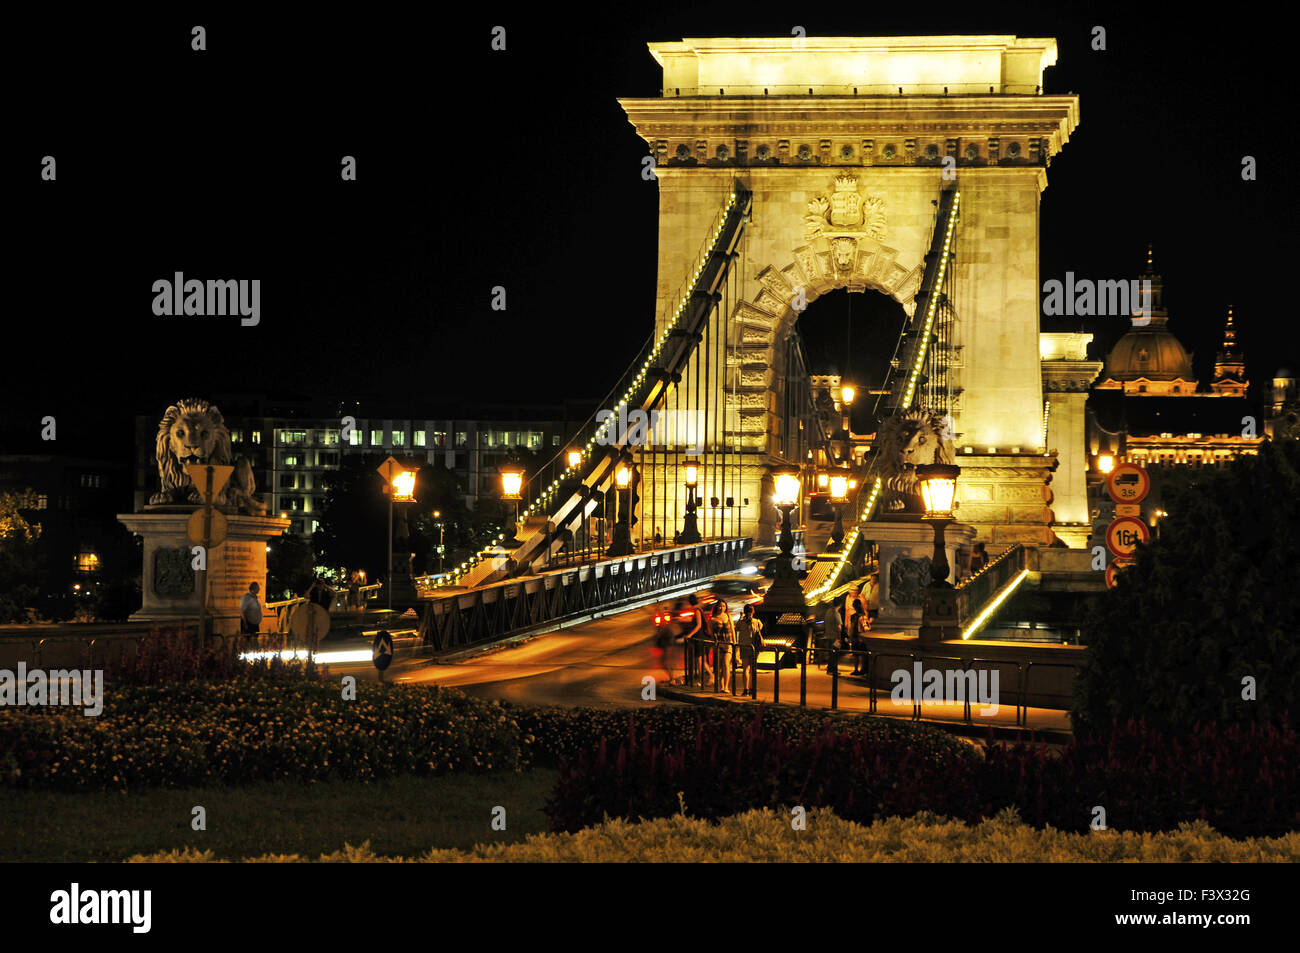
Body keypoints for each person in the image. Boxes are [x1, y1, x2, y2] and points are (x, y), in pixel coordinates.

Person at [735, 603, 764, 695]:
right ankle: (751, 688)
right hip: (752, 647)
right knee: (751, 669)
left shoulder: (742, 622)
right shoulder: (757, 621)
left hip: (746, 646)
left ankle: (746, 689)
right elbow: (760, 629)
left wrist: (741, 617)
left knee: (746, 669)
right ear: (753, 612)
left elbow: (737, 629)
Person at [710, 600, 736, 691]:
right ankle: (721, 686)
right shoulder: (713, 619)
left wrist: (734, 643)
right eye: (720, 606)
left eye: (724, 606)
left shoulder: (728, 616)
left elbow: (732, 630)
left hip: (728, 644)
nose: (722, 608)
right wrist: (715, 643)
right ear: (717, 607)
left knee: (726, 664)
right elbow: (713, 634)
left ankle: (726, 687)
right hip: (719, 645)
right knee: (720, 667)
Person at [848, 597, 867, 675]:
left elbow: (852, 627)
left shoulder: (854, 616)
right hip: (862, 637)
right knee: (863, 654)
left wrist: (850, 637)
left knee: (856, 655)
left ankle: (856, 669)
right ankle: (863, 669)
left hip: (856, 636)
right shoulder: (863, 615)